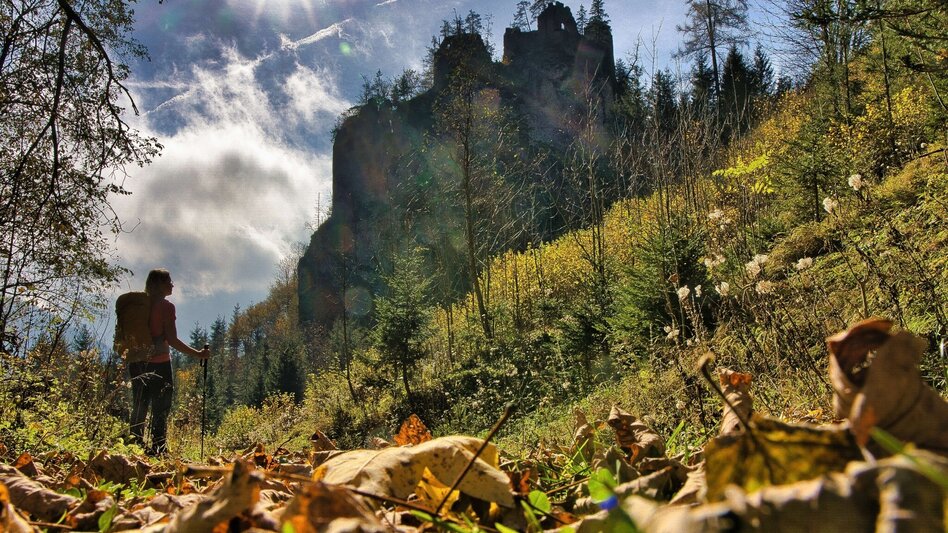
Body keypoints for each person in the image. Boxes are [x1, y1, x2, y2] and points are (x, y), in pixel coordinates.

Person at [129, 269, 210, 455]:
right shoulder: (166, 307)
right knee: (160, 408)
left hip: (137, 363)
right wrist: (198, 354)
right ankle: (158, 449)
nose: (172, 285)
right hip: (160, 364)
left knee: (140, 405)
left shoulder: (140, 306)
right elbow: (172, 340)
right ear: (159, 285)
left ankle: (134, 446)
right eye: (169, 282)